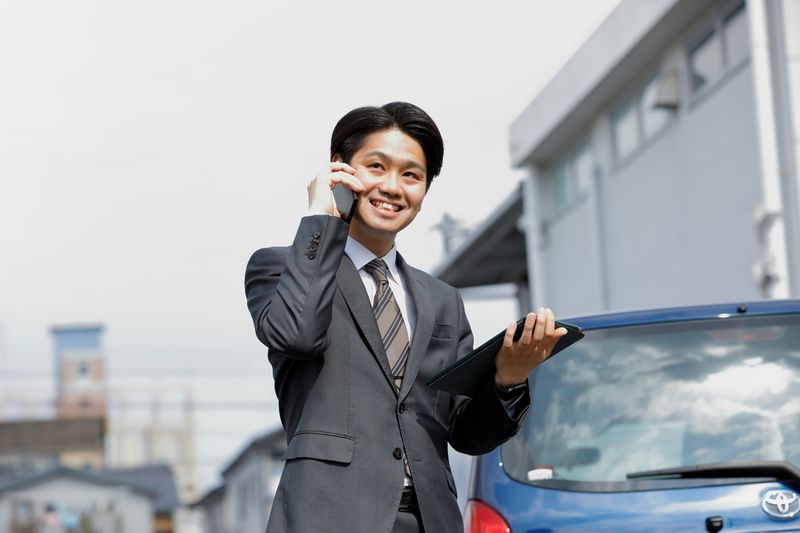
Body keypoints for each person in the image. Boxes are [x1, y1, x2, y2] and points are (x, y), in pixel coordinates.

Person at [244, 102, 567, 533]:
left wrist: (509, 377)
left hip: (430, 520)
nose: (393, 187)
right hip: (327, 516)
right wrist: (321, 217)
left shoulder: (443, 300)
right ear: (340, 169)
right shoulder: (284, 267)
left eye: (412, 175)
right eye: (376, 167)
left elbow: (466, 433)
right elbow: (297, 336)